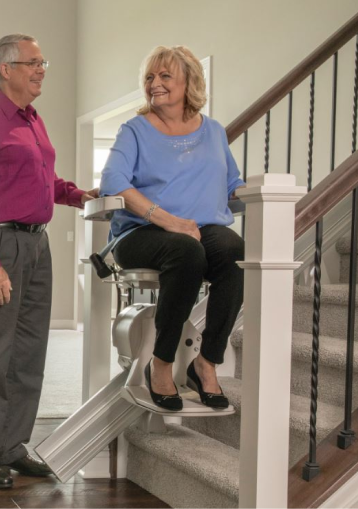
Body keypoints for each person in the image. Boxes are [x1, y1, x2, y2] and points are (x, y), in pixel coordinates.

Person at [0, 34, 96, 490]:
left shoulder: (32, 120)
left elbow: (43, 179)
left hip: (37, 244)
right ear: (5, 69)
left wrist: (78, 195)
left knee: (30, 350)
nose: (41, 70)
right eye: (32, 63)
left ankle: (12, 447)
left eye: (43, 62)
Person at [99, 45, 245, 412]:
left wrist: (261, 196)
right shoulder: (134, 130)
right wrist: (169, 220)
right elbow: (113, 182)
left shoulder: (213, 131)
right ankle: (161, 363)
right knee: (186, 250)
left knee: (233, 251)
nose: (155, 84)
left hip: (199, 229)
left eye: (165, 76)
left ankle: (206, 362)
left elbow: (232, 184)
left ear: (189, 83)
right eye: (150, 77)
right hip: (140, 233)